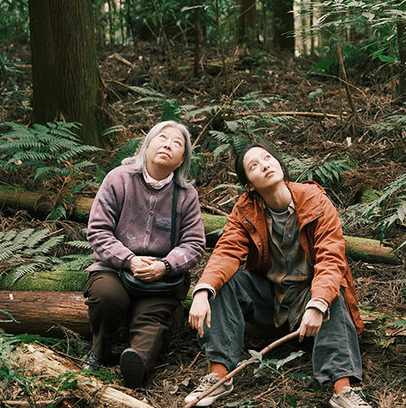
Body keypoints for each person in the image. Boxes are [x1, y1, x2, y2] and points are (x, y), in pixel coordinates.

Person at [184, 142, 371, 408]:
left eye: (267, 158)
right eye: (254, 166)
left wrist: (318, 304)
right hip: (270, 296)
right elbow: (226, 252)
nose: (265, 165)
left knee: (334, 291)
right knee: (224, 282)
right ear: (249, 184)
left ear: (280, 165)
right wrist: (202, 291)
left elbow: (332, 259)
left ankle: (343, 390)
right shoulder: (246, 209)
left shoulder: (314, 200)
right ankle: (219, 376)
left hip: (309, 293)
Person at [83, 121, 205, 389]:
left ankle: (135, 364)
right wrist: (129, 260)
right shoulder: (118, 179)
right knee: (107, 296)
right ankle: (100, 351)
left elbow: (195, 244)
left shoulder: (186, 195)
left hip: (162, 281)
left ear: (182, 159)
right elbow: (98, 230)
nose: (168, 145)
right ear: (146, 146)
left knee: (152, 320)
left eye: (177, 143)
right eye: (162, 138)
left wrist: (165, 265)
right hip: (113, 270)